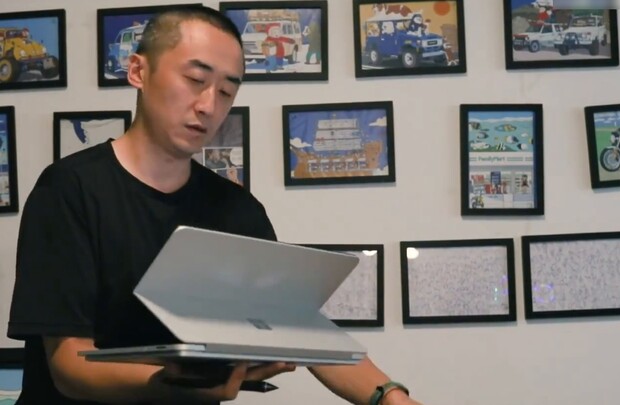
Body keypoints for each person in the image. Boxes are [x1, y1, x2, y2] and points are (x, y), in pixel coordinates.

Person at [7, 6, 421, 405]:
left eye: (226, 91)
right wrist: (174, 385)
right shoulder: (69, 189)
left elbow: (300, 321)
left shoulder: (237, 209)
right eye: (194, 80)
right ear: (138, 71)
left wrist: (390, 396)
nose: (209, 106)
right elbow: (69, 365)